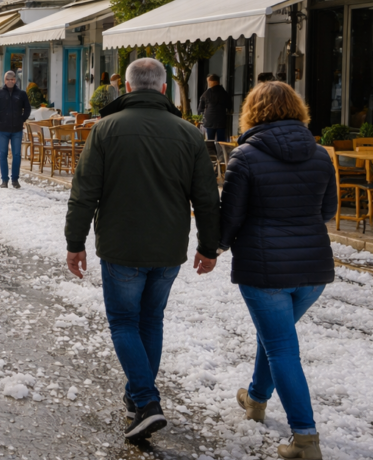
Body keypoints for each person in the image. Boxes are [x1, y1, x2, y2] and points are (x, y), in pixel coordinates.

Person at [65, 58, 220, 441]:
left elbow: (84, 192)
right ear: (164, 89)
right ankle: (137, 399)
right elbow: (206, 197)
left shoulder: (105, 130)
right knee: (151, 321)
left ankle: (147, 402)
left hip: (121, 244)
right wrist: (208, 245)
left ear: (128, 88)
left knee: (123, 322)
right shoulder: (189, 134)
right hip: (168, 247)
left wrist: (75, 242)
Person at [219, 82, 335, 460]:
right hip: (313, 270)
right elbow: (327, 212)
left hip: (265, 269)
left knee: (281, 347)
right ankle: (255, 399)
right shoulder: (320, 155)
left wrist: (214, 246)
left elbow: (230, 217)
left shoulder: (245, 156)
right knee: (275, 338)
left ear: (252, 111)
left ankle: (305, 438)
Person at [0, 71, 31, 189]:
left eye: (12, 80)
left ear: (15, 81)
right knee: (3, 154)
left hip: (17, 129)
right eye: (8, 79)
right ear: (5, 80)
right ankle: (4, 180)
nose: (10, 81)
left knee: (17, 155)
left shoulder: (21, 94)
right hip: (2, 129)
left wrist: (22, 119)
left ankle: (15, 179)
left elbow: (27, 108)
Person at [198, 74, 233, 142]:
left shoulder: (205, 94)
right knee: (221, 142)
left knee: (210, 141)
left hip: (209, 121)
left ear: (212, 82)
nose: (208, 83)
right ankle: (221, 152)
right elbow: (230, 108)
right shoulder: (224, 93)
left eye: (208, 81)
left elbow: (200, 108)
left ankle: (211, 152)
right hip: (221, 121)